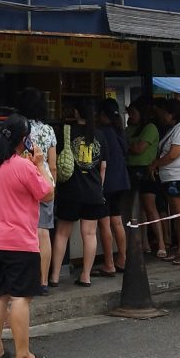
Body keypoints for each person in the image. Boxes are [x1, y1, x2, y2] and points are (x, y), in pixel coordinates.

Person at [0, 113, 54, 358]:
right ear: (24, 139)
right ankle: (23, 355)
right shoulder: (24, 166)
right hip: (19, 242)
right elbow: (49, 194)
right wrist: (40, 164)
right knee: (21, 298)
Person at [49, 99, 108, 288]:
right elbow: (103, 168)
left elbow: (57, 162)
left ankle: (55, 276)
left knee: (62, 233)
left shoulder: (67, 132)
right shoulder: (99, 134)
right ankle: (86, 276)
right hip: (93, 193)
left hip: (70, 191)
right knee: (89, 234)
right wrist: (99, 189)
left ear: (76, 112)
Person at [17, 87, 57, 295]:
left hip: (24, 184)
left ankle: (28, 279)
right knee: (43, 233)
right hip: (45, 181)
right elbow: (53, 164)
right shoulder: (49, 130)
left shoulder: (20, 129)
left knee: (26, 233)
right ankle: (43, 282)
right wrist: (52, 186)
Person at [150, 98, 180, 265]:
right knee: (178, 215)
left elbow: (173, 153)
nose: (161, 116)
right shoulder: (175, 129)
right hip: (172, 177)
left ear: (171, 114)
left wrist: (156, 164)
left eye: (164, 112)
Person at [95, 98, 130, 274]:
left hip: (106, 182)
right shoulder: (119, 131)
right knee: (117, 221)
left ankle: (108, 263)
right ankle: (122, 259)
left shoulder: (101, 132)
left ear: (102, 114)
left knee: (104, 223)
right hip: (121, 181)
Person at [127, 97, 165, 258]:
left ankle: (161, 243)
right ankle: (144, 242)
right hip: (131, 169)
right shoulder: (129, 129)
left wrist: (127, 145)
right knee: (137, 208)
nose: (130, 116)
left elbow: (139, 149)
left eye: (133, 113)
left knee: (150, 207)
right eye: (129, 113)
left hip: (146, 170)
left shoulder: (150, 128)